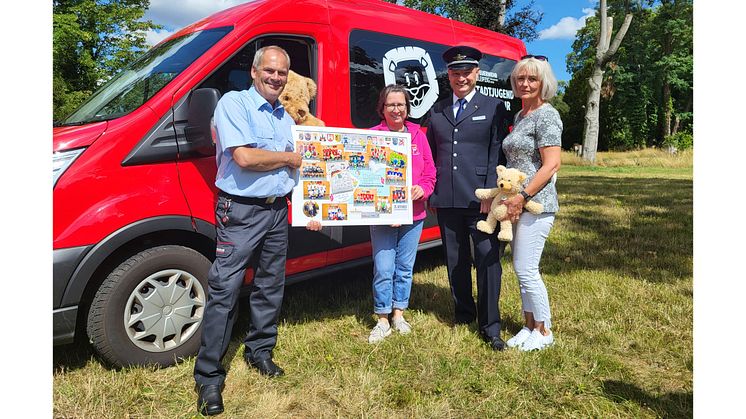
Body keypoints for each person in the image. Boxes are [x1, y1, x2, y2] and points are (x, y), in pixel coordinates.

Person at [193, 45, 322, 416]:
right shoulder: (235, 104)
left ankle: (260, 352)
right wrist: (288, 158)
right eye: (269, 71)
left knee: (269, 286)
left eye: (282, 73)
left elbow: (301, 168)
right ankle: (209, 378)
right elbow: (245, 158)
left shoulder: (285, 116)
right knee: (225, 290)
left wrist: (317, 205)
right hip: (241, 212)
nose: (276, 78)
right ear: (254, 72)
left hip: (277, 211)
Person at [425, 45, 510, 351]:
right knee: (455, 261)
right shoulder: (438, 109)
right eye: (455, 72)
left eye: (466, 72)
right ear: (448, 74)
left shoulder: (494, 106)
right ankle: (464, 314)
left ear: (477, 73)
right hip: (447, 198)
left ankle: (490, 326)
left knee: (488, 262)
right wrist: (430, 189)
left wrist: (491, 194)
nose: (461, 77)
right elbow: (431, 153)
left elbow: (496, 151)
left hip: (481, 200)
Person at [366, 84, 436, 343]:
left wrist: (423, 189)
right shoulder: (372, 136)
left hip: (413, 214)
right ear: (382, 109)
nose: (396, 109)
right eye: (391, 105)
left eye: (401, 105)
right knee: (384, 267)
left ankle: (398, 313)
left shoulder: (418, 135)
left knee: (405, 268)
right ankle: (382, 317)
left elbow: (430, 172)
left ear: (407, 108)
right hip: (383, 215)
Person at [501, 54, 562, 351]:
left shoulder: (547, 115)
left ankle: (544, 329)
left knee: (527, 268)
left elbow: (551, 164)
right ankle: (528, 325)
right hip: (517, 202)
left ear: (543, 83)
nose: (525, 83)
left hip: (537, 204)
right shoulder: (521, 115)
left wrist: (522, 197)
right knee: (520, 267)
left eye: (532, 79)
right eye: (520, 78)